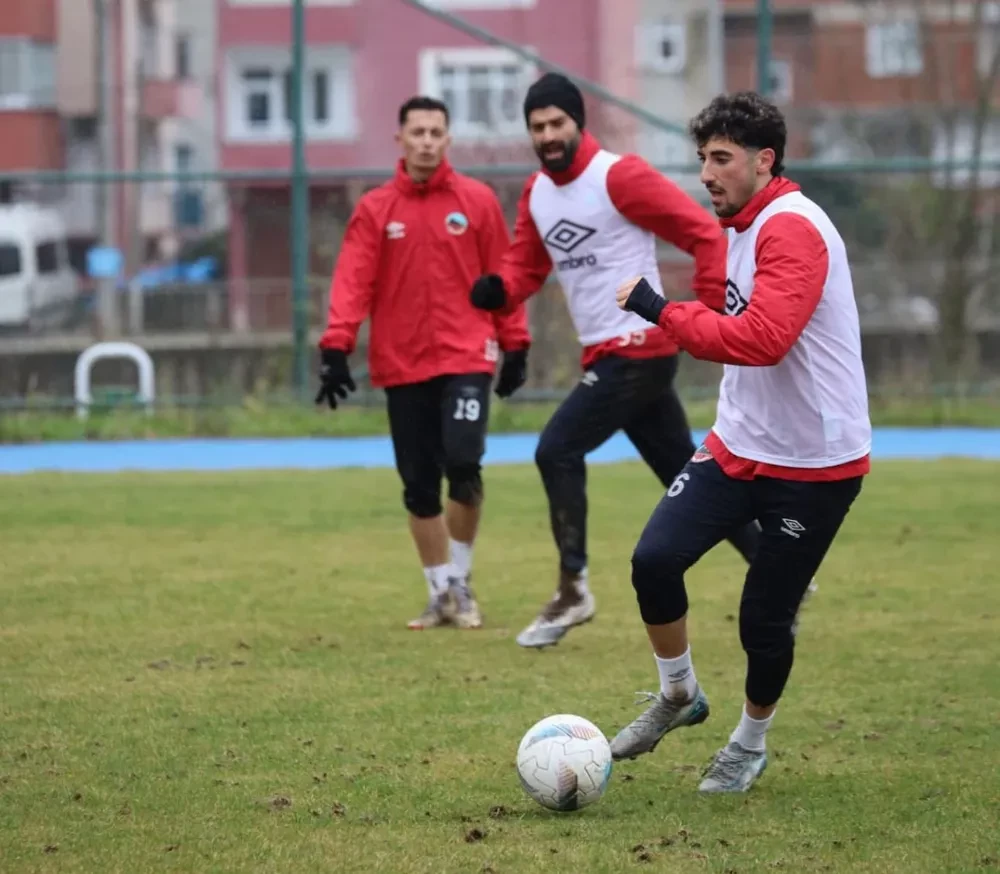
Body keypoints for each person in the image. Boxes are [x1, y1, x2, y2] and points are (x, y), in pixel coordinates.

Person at [609, 91, 871, 793]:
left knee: (764, 618)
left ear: (764, 160)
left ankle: (749, 742)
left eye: (721, 158)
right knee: (654, 560)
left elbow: (761, 340)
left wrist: (660, 310)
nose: (706, 173)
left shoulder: (792, 229)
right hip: (739, 444)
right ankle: (677, 696)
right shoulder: (743, 224)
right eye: (702, 159)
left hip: (815, 463)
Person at [469, 72, 762, 650]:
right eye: (537, 127)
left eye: (557, 123)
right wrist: (498, 292)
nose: (548, 135)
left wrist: (705, 314)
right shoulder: (537, 193)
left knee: (556, 450)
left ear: (579, 122)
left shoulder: (618, 176)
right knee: (683, 469)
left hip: (638, 348)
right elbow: (525, 267)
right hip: (612, 353)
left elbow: (703, 234)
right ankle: (777, 566)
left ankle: (574, 589)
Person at [316, 96, 531, 631]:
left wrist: (516, 343)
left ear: (448, 139)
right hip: (401, 362)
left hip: (466, 355)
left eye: (437, 131)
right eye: (419, 132)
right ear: (401, 139)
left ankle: (461, 580)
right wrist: (337, 347)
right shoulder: (375, 209)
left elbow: (503, 279)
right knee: (417, 483)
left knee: (463, 462)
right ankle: (438, 592)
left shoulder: (477, 202)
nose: (428, 141)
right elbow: (353, 280)